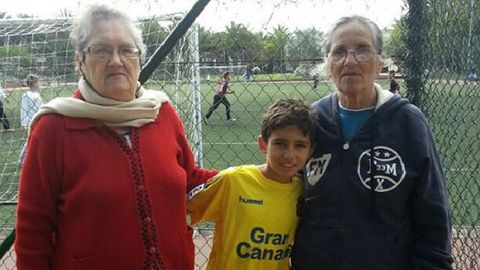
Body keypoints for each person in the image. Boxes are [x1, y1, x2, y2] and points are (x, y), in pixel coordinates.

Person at [14, 4, 217, 270]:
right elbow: (33, 228)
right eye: (101, 50)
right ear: (80, 61)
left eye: (126, 50)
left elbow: (190, 179)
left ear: (139, 57)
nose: (116, 60)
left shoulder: (162, 112)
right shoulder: (54, 127)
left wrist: (254, 177)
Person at [291, 15, 453, 270]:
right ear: (328, 63)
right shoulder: (312, 120)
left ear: (380, 62)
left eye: (363, 50)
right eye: (339, 52)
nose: (350, 60)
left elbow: (433, 217)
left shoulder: (408, 122)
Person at [188, 98, 316, 270]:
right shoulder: (233, 181)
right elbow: (184, 213)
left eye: (300, 145)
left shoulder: (304, 190)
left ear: (311, 150)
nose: (289, 154)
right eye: (280, 143)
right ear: (263, 144)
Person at [18, 74, 44, 165]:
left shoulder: (37, 94)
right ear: (33, 83)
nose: (40, 83)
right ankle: (21, 160)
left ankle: (29, 158)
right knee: (30, 140)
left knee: (34, 139)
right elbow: (24, 109)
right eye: (38, 81)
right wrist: (24, 123)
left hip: (38, 120)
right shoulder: (27, 95)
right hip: (30, 121)